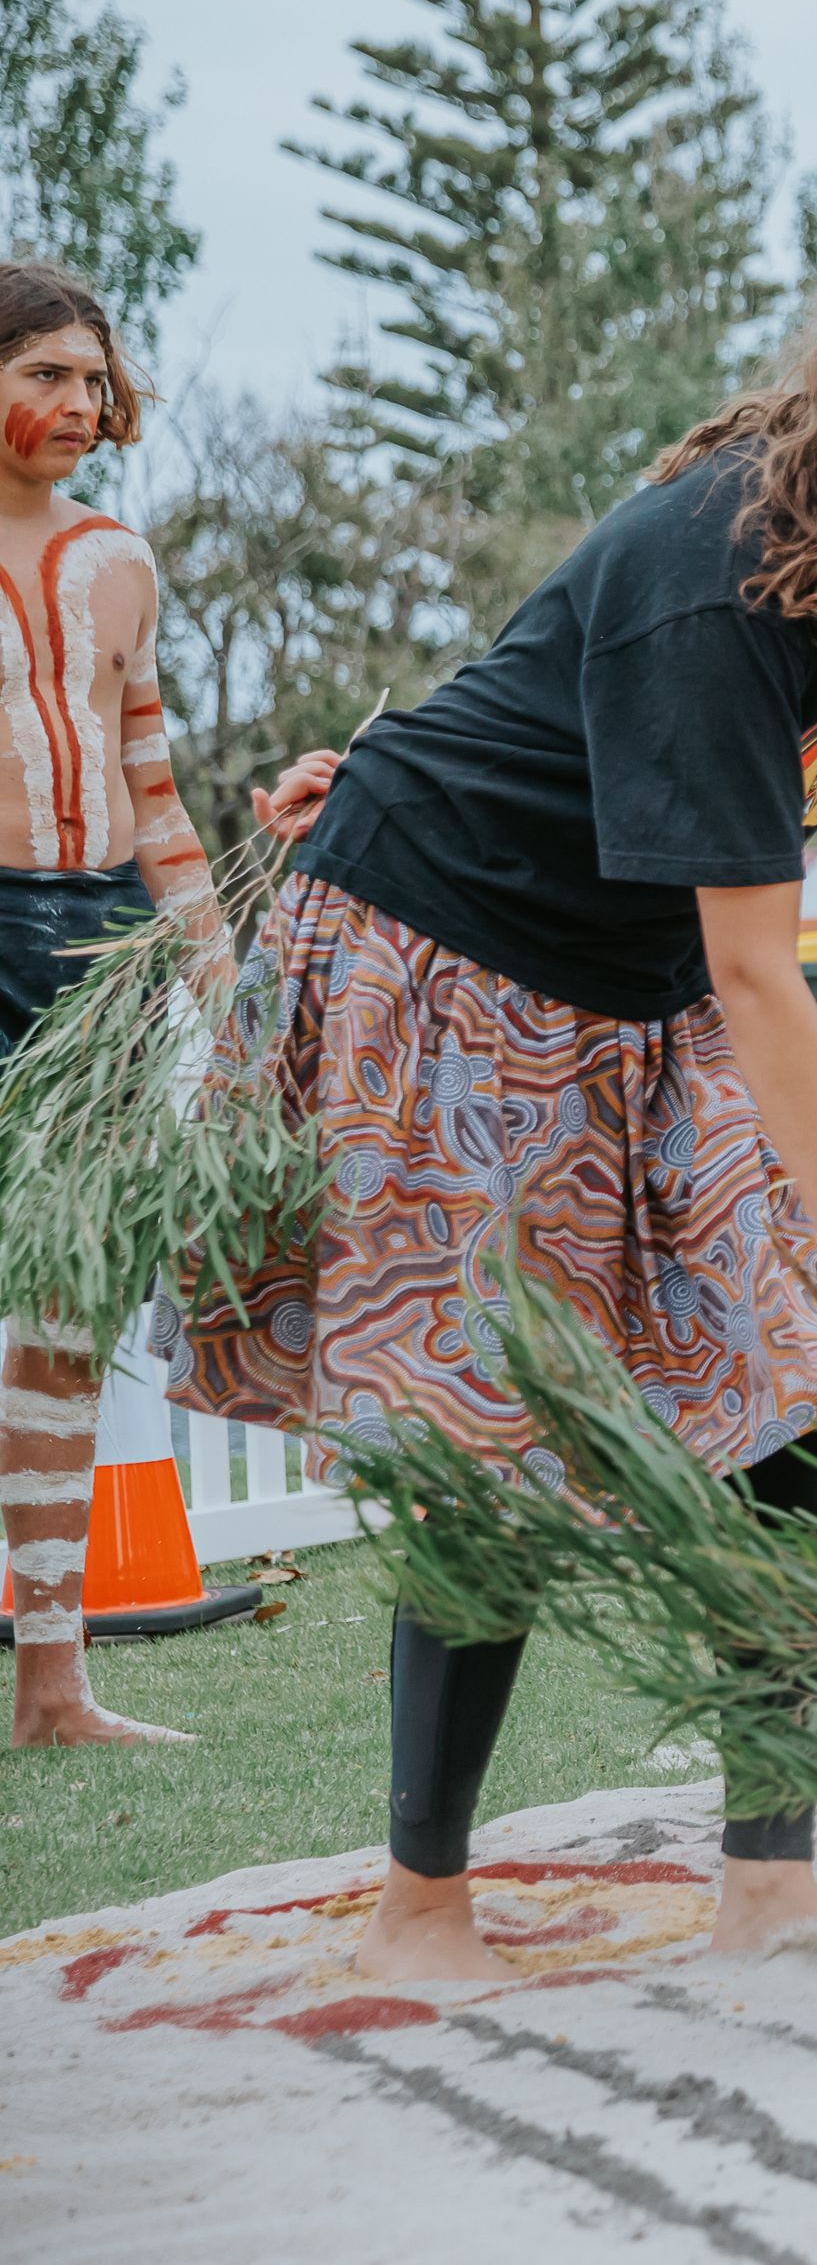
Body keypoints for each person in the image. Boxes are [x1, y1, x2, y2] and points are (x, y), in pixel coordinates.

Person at [192, 212, 817, 1975]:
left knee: (796, 1420)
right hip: (458, 976)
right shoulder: (730, 560)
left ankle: (769, 1878)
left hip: (634, 997)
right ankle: (420, 1913)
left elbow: (591, 717)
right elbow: (763, 967)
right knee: (500, 1447)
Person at [0, 264, 229, 1747]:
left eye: (93, 380)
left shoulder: (122, 561)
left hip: (93, 947)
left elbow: (153, 784)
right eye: (47, 376)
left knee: (64, 1310)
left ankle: (52, 1685)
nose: (80, 405)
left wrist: (209, 956)